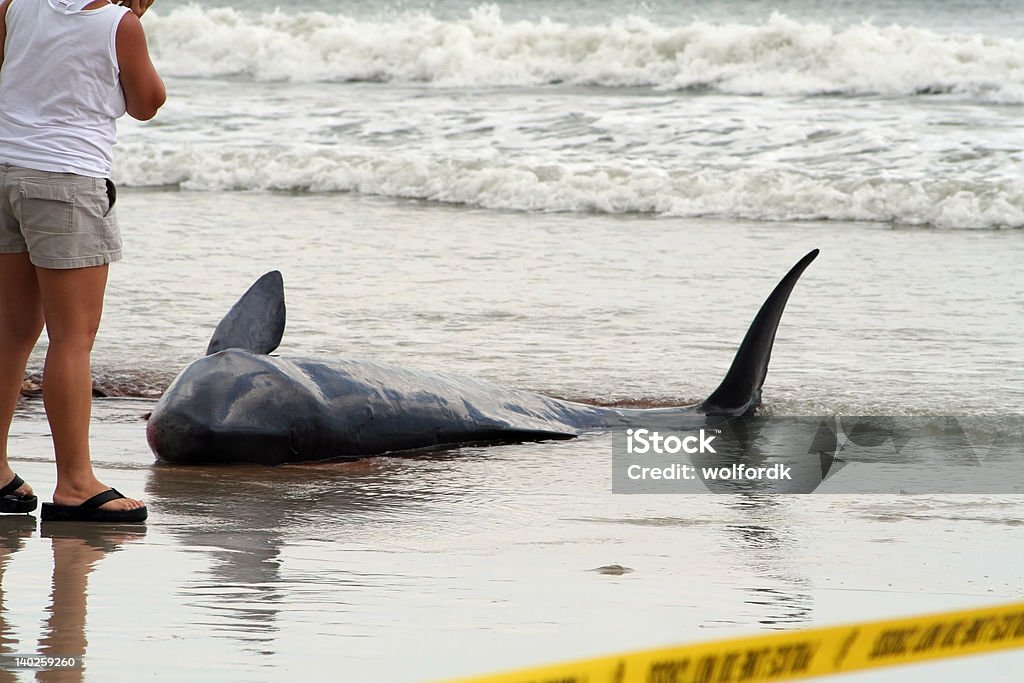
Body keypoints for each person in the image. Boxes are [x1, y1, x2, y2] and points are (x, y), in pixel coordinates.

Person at [0, 0, 165, 522]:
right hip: (67, 181)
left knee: (11, 332)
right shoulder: (119, 25)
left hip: (5, 171)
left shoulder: (15, 6)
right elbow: (147, 103)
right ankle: (75, 482)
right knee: (72, 338)